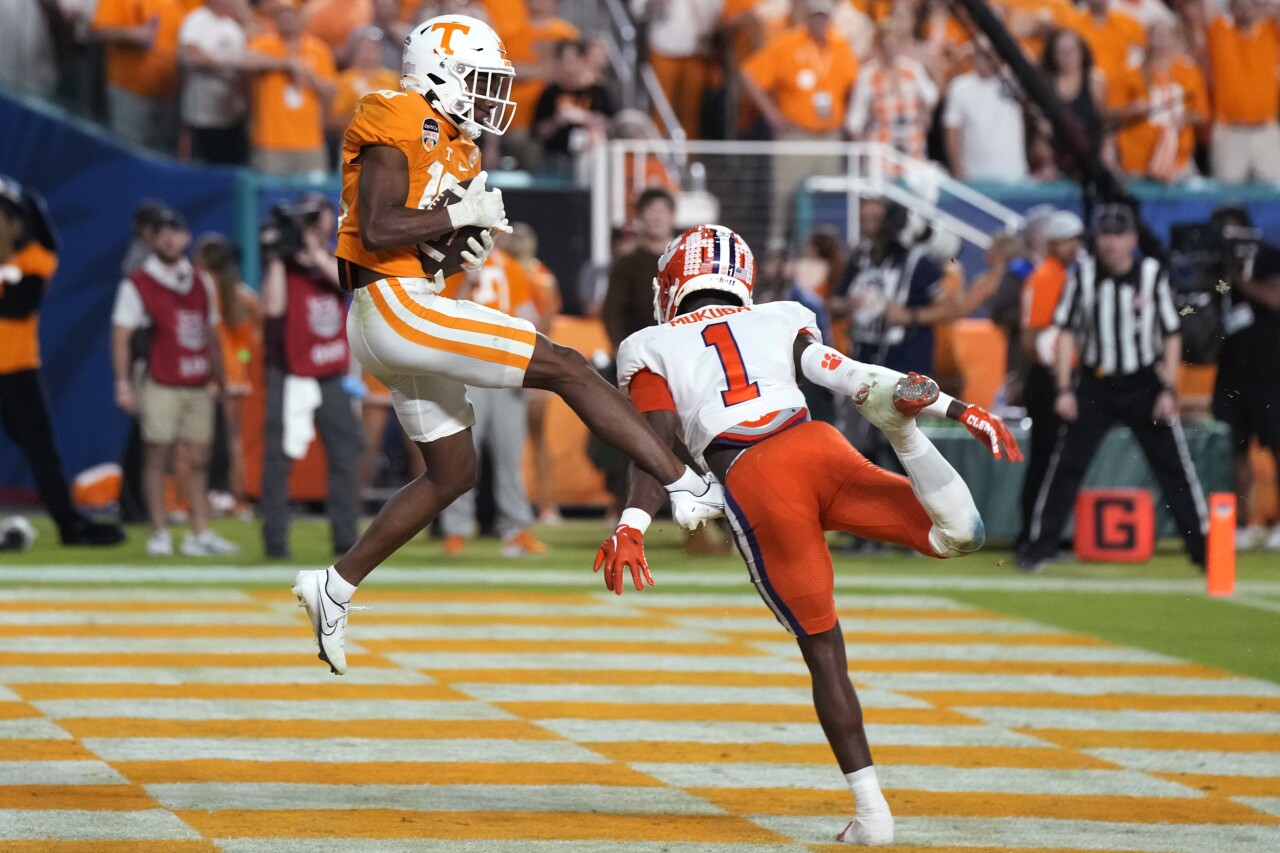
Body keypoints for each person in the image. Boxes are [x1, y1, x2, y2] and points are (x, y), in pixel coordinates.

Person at [292, 14, 723, 676]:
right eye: (482, 80)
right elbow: (377, 228)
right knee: (568, 365)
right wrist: (457, 215)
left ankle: (335, 585)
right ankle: (682, 482)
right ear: (443, 72)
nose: (493, 96)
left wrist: (459, 238)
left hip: (405, 305)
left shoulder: (460, 147)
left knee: (454, 472)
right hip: (395, 304)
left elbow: (425, 244)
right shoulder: (398, 112)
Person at [596, 224, 1020, 847]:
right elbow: (848, 373)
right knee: (958, 534)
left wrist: (632, 522)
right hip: (820, 444)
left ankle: (873, 816)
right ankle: (904, 436)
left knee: (824, 650)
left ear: (672, 282)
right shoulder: (780, 316)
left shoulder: (649, 344)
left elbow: (652, 442)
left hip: (757, 474)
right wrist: (957, 407)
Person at [1019, 203, 1207, 572]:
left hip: (1144, 383)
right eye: (1105, 235)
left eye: (1118, 235)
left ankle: (1203, 550)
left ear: (1132, 239)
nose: (1110, 244)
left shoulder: (1151, 274)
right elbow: (1067, 333)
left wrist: (1168, 388)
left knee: (1174, 468)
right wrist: (1064, 389)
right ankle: (1038, 548)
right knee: (1066, 466)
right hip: (1095, 383)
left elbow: (1171, 333)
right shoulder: (1083, 276)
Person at [0, 178, 125, 547]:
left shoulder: (32, 258)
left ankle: (69, 524)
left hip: (16, 367)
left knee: (41, 450)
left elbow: (19, 305)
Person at [110, 209, 239, 558]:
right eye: (162, 232)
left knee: (199, 459)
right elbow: (121, 335)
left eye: (175, 231)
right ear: (153, 239)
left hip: (196, 381)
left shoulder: (201, 281)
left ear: (187, 239)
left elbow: (211, 334)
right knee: (157, 456)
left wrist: (222, 381)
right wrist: (122, 383)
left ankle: (199, 532)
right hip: (160, 379)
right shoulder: (138, 282)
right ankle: (160, 531)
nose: (169, 238)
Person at [259, 194, 363, 559]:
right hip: (290, 374)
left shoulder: (336, 254)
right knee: (278, 459)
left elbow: (346, 283)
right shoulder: (284, 263)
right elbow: (272, 308)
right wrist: (274, 257)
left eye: (313, 217)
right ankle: (274, 541)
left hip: (330, 373)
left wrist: (314, 251)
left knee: (347, 452)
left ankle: (346, 538)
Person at [439, 245, 547, 556]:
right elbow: (436, 315)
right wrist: (463, 283)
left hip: (504, 368)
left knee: (509, 455)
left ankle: (515, 529)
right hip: (464, 367)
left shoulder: (512, 267)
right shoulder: (451, 261)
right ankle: (455, 530)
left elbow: (529, 319)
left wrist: (527, 364)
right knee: (461, 455)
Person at [740, 0, 858, 245]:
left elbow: (854, 84)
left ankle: (821, 250)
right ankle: (777, 248)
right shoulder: (786, 44)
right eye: (815, 15)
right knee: (785, 196)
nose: (820, 21)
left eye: (824, 16)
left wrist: (849, 117)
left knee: (826, 196)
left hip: (829, 137)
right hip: (795, 135)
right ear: (806, 16)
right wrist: (771, 113)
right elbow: (749, 74)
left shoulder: (839, 45)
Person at [1208, 206, 1280, 551]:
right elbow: (1200, 306)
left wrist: (1240, 280)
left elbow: (1276, 299)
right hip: (1232, 373)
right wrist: (1219, 280)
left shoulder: (1269, 258)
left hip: (1272, 372)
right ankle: (1239, 522)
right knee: (1232, 451)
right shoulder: (1217, 271)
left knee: (1278, 449)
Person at [830, 196, 958, 378]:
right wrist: (847, 304)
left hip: (906, 363)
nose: (870, 226)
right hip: (864, 360)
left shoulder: (916, 262)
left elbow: (949, 308)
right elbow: (834, 302)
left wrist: (910, 316)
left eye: (875, 219)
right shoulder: (860, 258)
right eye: (865, 218)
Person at [1015, 210, 1082, 553]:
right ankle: (1033, 533)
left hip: (1057, 375)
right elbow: (1035, 337)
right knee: (1047, 459)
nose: (1075, 247)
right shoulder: (1047, 278)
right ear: (1054, 243)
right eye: (1068, 240)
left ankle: (1041, 532)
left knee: (1052, 459)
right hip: (1051, 376)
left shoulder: (1061, 275)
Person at [195, 234, 260, 522]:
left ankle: (196, 502)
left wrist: (240, 360)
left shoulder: (200, 288)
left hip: (207, 372)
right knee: (231, 441)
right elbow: (252, 336)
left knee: (197, 442)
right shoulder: (240, 292)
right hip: (232, 375)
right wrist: (242, 362)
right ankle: (238, 502)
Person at [1111, 18, 1208, 184]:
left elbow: (1202, 113)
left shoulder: (1190, 72)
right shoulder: (1131, 72)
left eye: (1167, 35)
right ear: (1148, 39)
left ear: (1176, 39)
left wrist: (1184, 117)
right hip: (1137, 156)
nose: (1162, 41)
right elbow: (1111, 111)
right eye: (1158, 35)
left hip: (1178, 157)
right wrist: (1133, 108)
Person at [246, 0, 337, 175]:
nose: (287, 19)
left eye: (292, 15)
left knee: (312, 195)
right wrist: (286, 63)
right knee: (270, 195)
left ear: (302, 19)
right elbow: (245, 61)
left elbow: (330, 91)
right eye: (282, 16)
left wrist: (308, 75)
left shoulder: (318, 49)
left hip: (309, 142)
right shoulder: (265, 44)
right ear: (275, 20)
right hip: (270, 141)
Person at [1196, 0, 1280, 184]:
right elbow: (1205, 7)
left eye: (1251, 4)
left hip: (1266, 131)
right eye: (1240, 5)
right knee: (1228, 197)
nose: (1246, 8)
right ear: (1231, 9)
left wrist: (1266, 5)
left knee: (1272, 197)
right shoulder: (1220, 32)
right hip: (1229, 132)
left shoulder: (1270, 32)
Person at [91, 0, 185, 152]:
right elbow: (99, 30)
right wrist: (133, 34)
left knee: (164, 155)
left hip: (173, 94)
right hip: (131, 91)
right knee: (130, 152)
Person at [846, 19, 939, 164]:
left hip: (912, 143)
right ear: (878, 46)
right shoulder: (868, 76)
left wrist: (925, 113)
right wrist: (864, 148)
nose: (889, 51)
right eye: (885, 46)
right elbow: (854, 121)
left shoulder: (912, 70)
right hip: (881, 148)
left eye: (894, 45)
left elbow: (931, 95)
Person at [631, 0, 723, 139]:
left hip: (697, 50)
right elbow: (638, 8)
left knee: (691, 111)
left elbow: (717, 10)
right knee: (661, 109)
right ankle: (657, 156)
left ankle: (689, 156)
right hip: (664, 48)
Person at [942, 40, 1029, 181]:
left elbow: (1028, 67)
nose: (986, 58)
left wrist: (1002, 55)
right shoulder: (960, 86)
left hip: (1014, 176)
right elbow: (953, 132)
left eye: (991, 53)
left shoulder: (1013, 82)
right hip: (974, 177)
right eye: (981, 52)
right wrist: (957, 171)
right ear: (974, 54)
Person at [179, 0, 252, 166]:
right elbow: (193, 56)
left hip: (232, 112)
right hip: (204, 113)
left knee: (233, 163)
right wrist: (231, 65)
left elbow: (246, 62)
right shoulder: (196, 20)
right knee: (208, 165)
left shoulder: (232, 26)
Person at [602, 187, 676, 351]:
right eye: (651, 210)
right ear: (640, 217)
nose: (657, 217)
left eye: (663, 210)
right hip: (639, 351)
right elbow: (613, 310)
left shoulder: (685, 259)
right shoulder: (627, 262)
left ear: (672, 216)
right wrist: (619, 348)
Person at [531, 39, 617, 175]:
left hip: (590, 156)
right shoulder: (551, 92)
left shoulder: (598, 91)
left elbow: (611, 124)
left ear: (583, 60)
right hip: (556, 157)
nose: (568, 67)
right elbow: (537, 132)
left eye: (572, 61)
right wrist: (557, 120)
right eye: (563, 61)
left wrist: (585, 118)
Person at [1034, 28, 1105, 181]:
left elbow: (1103, 123)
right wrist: (1047, 164)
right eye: (1061, 51)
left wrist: (1106, 156)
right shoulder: (1045, 85)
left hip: (1090, 156)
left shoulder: (1095, 81)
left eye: (1071, 51)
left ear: (1082, 52)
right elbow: (1043, 131)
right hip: (1058, 160)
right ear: (1053, 55)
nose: (1067, 57)